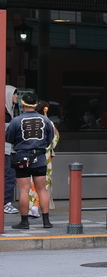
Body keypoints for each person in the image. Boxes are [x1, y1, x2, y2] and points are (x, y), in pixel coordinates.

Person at [5, 92, 56, 230]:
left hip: (22, 157)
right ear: (36, 104)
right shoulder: (45, 120)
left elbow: (8, 138)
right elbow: (50, 138)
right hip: (39, 158)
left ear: (23, 104)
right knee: (42, 190)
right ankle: (46, 221)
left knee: (24, 190)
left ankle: (24, 222)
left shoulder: (16, 121)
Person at [27, 99, 59, 219]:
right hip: (44, 155)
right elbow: (55, 137)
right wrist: (49, 147)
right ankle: (37, 208)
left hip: (29, 153)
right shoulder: (47, 121)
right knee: (43, 183)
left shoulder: (28, 120)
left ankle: (31, 206)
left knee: (30, 182)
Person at [3, 85, 17, 216]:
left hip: (8, 149)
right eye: (14, 94)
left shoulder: (9, 111)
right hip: (6, 149)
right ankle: (5, 202)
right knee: (10, 175)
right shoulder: (5, 113)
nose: (16, 96)